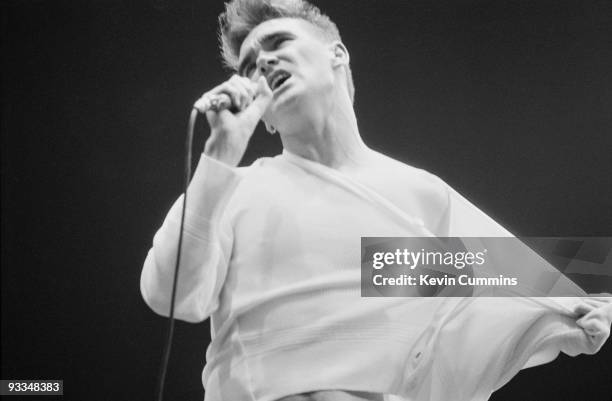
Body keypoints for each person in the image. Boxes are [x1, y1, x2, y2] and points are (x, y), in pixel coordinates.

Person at [140, 1, 612, 400]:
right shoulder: (233, 187)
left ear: (336, 54)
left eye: (278, 43)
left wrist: (587, 311)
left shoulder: (416, 195)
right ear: (262, 118)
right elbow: (175, 296)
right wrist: (219, 156)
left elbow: (533, 286)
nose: (261, 64)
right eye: (247, 65)